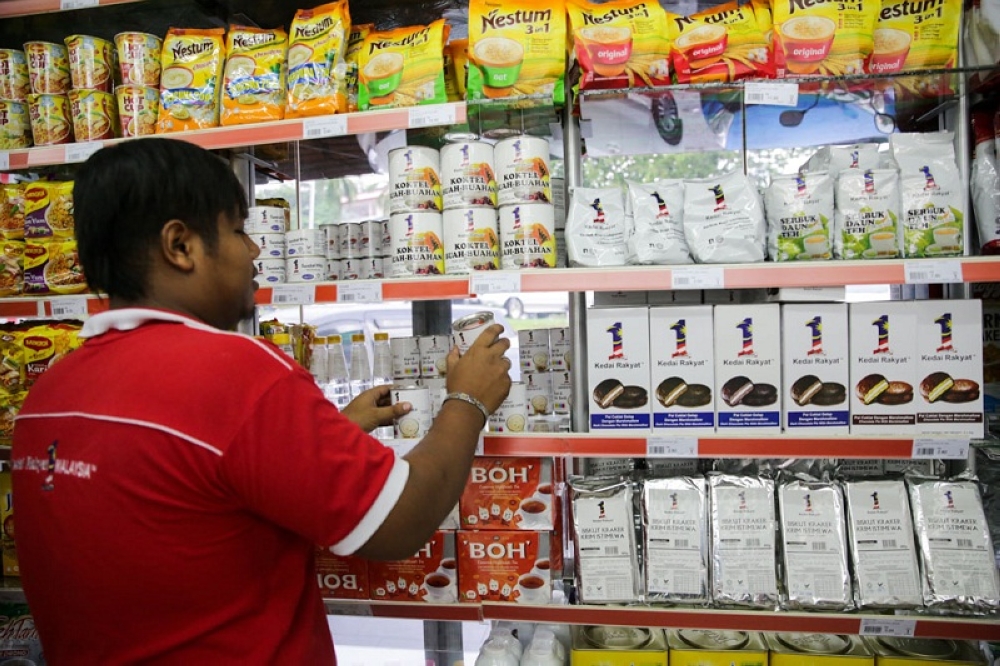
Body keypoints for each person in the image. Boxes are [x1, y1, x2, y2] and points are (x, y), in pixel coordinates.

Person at [11, 138, 512, 665]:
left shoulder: (49, 393)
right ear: (180, 246)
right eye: (237, 231)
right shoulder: (238, 374)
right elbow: (400, 522)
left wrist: (324, 432)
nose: (253, 251)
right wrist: (467, 400)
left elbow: (176, 510)